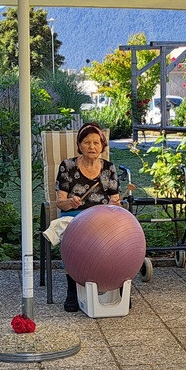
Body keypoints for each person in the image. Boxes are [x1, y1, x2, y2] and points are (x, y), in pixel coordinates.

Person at [54, 122, 123, 311]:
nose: (91, 147)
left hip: (103, 217)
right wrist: (71, 202)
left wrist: (115, 205)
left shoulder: (109, 168)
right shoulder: (67, 166)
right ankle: (72, 290)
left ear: (102, 146)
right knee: (73, 237)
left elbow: (115, 200)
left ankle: (118, 288)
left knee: (121, 238)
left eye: (96, 142)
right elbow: (60, 202)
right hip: (76, 216)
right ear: (79, 145)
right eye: (86, 142)